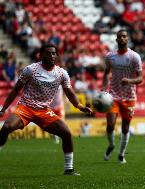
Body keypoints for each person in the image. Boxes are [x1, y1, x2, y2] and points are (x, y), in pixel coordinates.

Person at [0, 43, 93, 175]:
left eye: (54, 53)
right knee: (6, 127)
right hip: (26, 107)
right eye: (48, 53)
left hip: (44, 110)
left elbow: (70, 93)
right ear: (41, 55)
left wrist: (80, 106)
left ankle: (69, 169)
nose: (51, 56)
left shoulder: (61, 73)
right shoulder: (31, 69)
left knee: (66, 133)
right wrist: (4, 108)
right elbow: (15, 89)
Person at [102, 29, 143, 163]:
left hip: (129, 97)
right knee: (110, 124)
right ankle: (111, 144)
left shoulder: (134, 57)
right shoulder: (110, 56)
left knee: (125, 128)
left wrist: (129, 81)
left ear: (127, 39)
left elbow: (140, 78)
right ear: (116, 39)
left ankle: (121, 154)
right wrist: (103, 90)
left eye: (124, 36)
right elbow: (106, 73)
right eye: (119, 37)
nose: (122, 38)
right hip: (113, 96)